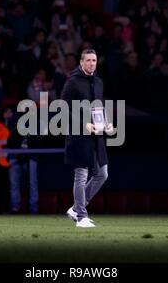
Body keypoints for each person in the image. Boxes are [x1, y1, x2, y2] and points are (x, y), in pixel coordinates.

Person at [60, 49, 113, 228]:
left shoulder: (98, 82)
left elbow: (99, 106)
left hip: (96, 135)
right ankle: (81, 216)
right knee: (81, 175)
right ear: (81, 62)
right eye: (88, 60)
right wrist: (84, 125)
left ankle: (76, 208)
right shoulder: (72, 82)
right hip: (78, 135)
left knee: (102, 174)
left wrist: (106, 122)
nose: (92, 63)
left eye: (94, 60)